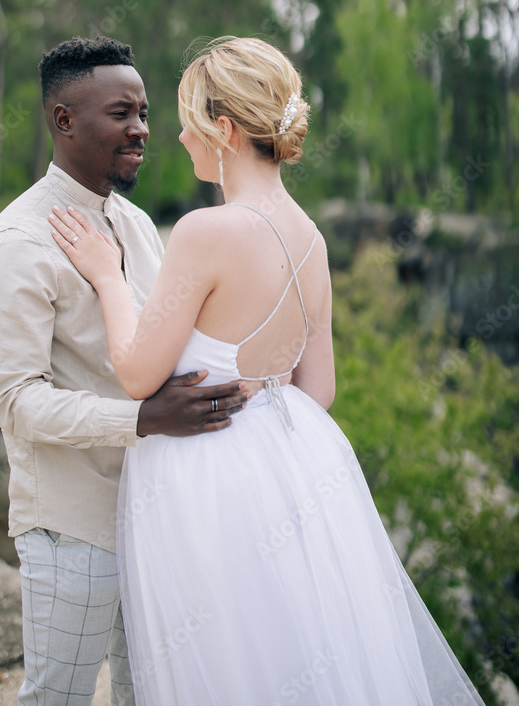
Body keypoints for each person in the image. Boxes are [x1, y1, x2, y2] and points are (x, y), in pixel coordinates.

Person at [48, 35, 487, 706]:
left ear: (222, 130)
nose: (177, 137)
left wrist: (108, 277)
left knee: (224, 663)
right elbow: (319, 389)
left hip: (206, 483)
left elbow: (137, 374)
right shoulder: (309, 236)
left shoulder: (205, 232)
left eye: (188, 120)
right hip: (291, 469)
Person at [0, 36, 247, 706]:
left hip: (155, 520)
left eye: (145, 112)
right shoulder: (17, 245)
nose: (142, 129)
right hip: (74, 528)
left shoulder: (138, 226)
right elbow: (15, 402)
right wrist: (144, 420)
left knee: (146, 695)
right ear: (64, 120)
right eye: (122, 113)